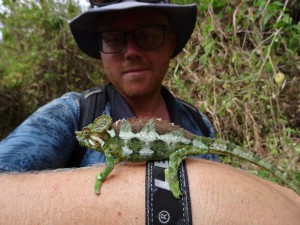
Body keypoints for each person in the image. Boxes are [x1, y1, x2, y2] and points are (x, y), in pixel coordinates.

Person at [0, 0, 299, 224]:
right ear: (100, 48)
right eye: (115, 38)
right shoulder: (70, 114)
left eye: (148, 33)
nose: (131, 51)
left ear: (170, 42)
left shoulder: (198, 122)